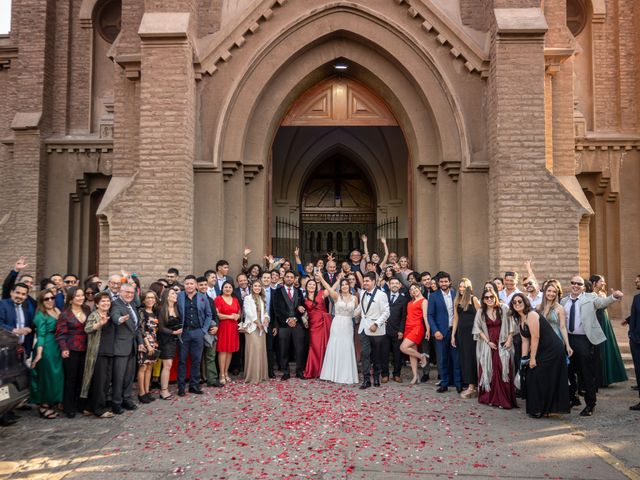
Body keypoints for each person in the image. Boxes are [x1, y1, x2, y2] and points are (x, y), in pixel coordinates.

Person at [561, 276, 623, 416]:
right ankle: (573, 398)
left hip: (584, 340)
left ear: (584, 286)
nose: (575, 285)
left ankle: (590, 404)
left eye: (579, 284)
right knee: (569, 371)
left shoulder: (590, 298)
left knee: (586, 372)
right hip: (568, 339)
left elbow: (602, 303)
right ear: (570, 285)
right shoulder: (564, 301)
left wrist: (613, 297)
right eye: (573, 283)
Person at [510, 293, 570, 417]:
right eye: (514, 302)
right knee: (531, 374)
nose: (517, 304)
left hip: (552, 349)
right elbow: (525, 340)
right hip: (541, 349)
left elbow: (535, 337)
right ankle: (539, 407)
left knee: (538, 374)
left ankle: (545, 408)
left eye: (519, 301)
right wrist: (523, 359)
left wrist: (532, 359)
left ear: (525, 302)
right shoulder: (519, 318)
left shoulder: (531, 315)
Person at [473, 288, 517, 409]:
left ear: (495, 297)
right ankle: (490, 398)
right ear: (483, 300)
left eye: (491, 297)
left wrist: (509, 339)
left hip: (502, 343)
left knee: (503, 369)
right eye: (486, 298)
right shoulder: (481, 311)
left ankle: (503, 400)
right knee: (488, 369)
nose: (489, 299)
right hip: (488, 345)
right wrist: (488, 342)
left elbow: (512, 324)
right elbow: (477, 329)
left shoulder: (503, 308)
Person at [314, 275, 359, 384]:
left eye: (346, 284)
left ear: (349, 286)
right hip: (337, 323)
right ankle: (332, 373)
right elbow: (328, 288)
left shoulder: (355, 298)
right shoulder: (336, 296)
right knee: (335, 345)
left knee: (347, 346)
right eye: (342, 285)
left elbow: (357, 312)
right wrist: (321, 278)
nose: (344, 286)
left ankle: (347, 374)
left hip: (348, 324)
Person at [109, 282, 144, 413]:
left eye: (132, 292)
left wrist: (140, 342)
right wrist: (119, 320)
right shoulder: (116, 304)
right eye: (127, 292)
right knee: (119, 376)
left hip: (133, 346)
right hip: (120, 347)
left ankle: (127, 399)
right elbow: (115, 317)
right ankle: (116, 402)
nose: (130, 295)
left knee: (129, 376)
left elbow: (137, 328)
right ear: (120, 292)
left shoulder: (132, 305)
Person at [588, 275, 628, 387]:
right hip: (596, 324)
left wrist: (615, 298)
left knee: (605, 350)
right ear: (594, 283)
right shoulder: (589, 295)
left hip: (604, 323)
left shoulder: (602, 294)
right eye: (602, 282)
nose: (604, 284)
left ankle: (605, 379)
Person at [56, 286, 90, 417]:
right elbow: (60, 334)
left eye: (82, 295)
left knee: (83, 377)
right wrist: (64, 348)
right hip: (71, 349)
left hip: (86, 348)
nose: (81, 298)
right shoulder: (65, 314)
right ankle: (68, 407)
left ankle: (80, 405)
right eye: (78, 296)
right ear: (71, 299)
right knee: (71, 378)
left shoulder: (87, 309)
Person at [176, 275, 213, 396]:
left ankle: (194, 385)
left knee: (196, 360)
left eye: (192, 283)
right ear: (184, 285)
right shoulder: (179, 296)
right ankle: (181, 387)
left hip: (198, 332)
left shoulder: (203, 297)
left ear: (196, 285)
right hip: (184, 332)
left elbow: (209, 315)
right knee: (182, 360)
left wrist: (203, 330)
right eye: (187, 283)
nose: (189, 286)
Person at [30, 289, 63, 419]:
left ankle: (51, 403)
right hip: (46, 348)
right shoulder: (40, 315)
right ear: (41, 301)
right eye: (46, 299)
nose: (50, 300)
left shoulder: (57, 311)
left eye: (52, 297)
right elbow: (41, 335)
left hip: (57, 346)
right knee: (47, 377)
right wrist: (39, 354)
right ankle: (43, 406)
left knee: (56, 377)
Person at [81, 291, 114, 418]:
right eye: (103, 301)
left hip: (109, 351)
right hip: (98, 352)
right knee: (99, 382)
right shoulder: (94, 315)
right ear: (96, 304)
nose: (106, 303)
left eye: (107, 301)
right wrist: (99, 323)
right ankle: (99, 409)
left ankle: (90, 407)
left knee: (104, 381)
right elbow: (87, 329)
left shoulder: (111, 315)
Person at [428, 272, 461, 393]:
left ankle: (458, 384)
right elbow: (430, 315)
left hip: (454, 331)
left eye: (446, 281)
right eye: (441, 282)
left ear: (450, 282)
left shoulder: (455, 294)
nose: (443, 284)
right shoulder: (433, 296)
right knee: (442, 360)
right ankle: (444, 383)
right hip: (440, 332)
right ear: (438, 283)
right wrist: (435, 330)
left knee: (456, 359)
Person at [357, 271, 390, 389]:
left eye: (367, 281)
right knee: (365, 354)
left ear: (373, 281)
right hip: (363, 328)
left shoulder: (382, 294)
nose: (364, 283)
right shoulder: (362, 293)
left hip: (376, 330)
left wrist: (376, 324)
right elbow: (361, 309)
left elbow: (386, 312)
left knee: (376, 355)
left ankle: (376, 378)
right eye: (364, 281)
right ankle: (366, 380)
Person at [272, 271, 306, 380]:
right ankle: (285, 372)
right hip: (283, 324)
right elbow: (276, 309)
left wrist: (295, 318)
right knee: (283, 349)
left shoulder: (299, 292)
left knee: (299, 348)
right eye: (287, 277)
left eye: (292, 277)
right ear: (284, 278)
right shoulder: (277, 292)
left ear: (294, 279)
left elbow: (302, 307)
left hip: (297, 323)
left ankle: (299, 371)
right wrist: (287, 320)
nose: (289, 279)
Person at [452, 278, 480, 399]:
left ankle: (473, 386)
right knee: (464, 359)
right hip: (461, 334)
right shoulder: (457, 300)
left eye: (464, 287)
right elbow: (456, 319)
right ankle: (470, 384)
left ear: (468, 287)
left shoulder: (473, 299)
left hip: (472, 335)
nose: (461, 289)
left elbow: (481, 316)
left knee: (471, 359)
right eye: (460, 286)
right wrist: (453, 335)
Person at [301, 278, 331, 379]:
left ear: (316, 286)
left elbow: (331, 289)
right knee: (314, 346)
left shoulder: (321, 293)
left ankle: (323, 370)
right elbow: (300, 309)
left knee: (324, 345)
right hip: (313, 325)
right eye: (309, 284)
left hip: (323, 322)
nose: (312, 286)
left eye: (313, 284)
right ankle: (313, 370)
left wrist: (323, 279)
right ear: (306, 286)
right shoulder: (303, 298)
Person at [241, 280, 269, 384]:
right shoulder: (247, 298)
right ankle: (252, 376)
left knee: (260, 350)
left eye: (259, 286)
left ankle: (261, 375)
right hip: (252, 327)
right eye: (255, 286)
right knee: (254, 350)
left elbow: (265, 312)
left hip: (262, 328)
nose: (257, 288)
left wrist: (266, 318)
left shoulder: (262, 298)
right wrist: (258, 323)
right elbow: (248, 312)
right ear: (252, 287)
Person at [401, 283, 430, 385]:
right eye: (411, 289)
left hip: (417, 328)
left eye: (415, 288)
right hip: (408, 327)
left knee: (403, 347)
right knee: (411, 352)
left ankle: (422, 357)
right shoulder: (410, 302)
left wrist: (428, 329)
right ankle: (415, 376)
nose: (414, 290)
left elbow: (425, 317)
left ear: (420, 289)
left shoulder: (424, 301)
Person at [196, 276, 222, 388]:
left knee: (210, 356)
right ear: (197, 286)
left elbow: (215, 316)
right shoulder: (193, 299)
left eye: (205, 285)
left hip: (210, 332)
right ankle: (197, 379)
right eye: (201, 285)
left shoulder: (210, 300)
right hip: (197, 332)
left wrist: (216, 326)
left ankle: (212, 379)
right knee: (197, 357)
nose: (203, 287)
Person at [157, 288, 182, 399]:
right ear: (167, 296)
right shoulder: (162, 309)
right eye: (173, 293)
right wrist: (173, 332)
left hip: (174, 340)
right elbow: (161, 327)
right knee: (167, 365)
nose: (175, 295)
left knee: (169, 365)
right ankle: (164, 391)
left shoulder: (176, 308)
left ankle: (165, 388)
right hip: (165, 340)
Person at [383, 277, 408, 383]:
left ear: (399, 285)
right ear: (388, 285)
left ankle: (397, 374)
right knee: (384, 353)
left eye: (396, 283)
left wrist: (401, 331)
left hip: (397, 331)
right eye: (392, 283)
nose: (394, 285)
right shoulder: (384, 296)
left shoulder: (403, 299)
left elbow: (403, 317)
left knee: (397, 354)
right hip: (384, 330)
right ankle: (385, 374)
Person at [215, 281, 241, 384]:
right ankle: (221, 374)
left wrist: (238, 316)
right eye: (225, 287)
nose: (228, 289)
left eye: (230, 287)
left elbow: (239, 312)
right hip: (223, 327)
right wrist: (230, 316)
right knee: (223, 350)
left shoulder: (235, 300)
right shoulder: (218, 299)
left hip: (233, 328)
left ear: (232, 289)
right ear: (222, 288)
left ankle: (226, 372)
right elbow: (217, 314)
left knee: (230, 351)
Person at [537, 280, 572, 356]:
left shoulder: (559, 308)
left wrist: (567, 345)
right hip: (541, 341)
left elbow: (563, 327)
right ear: (545, 292)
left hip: (556, 340)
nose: (551, 294)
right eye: (549, 291)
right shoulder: (538, 307)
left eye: (554, 292)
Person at [136, 291, 159, 403]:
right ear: (144, 300)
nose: (150, 300)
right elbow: (141, 329)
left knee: (149, 367)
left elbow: (154, 330)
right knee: (143, 367)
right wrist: (148, 345)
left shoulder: (154, 312)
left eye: (152, 297)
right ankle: (141, 393)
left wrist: (154, 343)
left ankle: (147, 391)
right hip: (145, 343)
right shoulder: (141, 311)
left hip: (153, 342)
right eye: (148, 298)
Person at [626, 274, 640, 410]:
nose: (636, 282)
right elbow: (635, 315)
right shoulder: (636, 298)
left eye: (638, 280)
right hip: (636, 340)